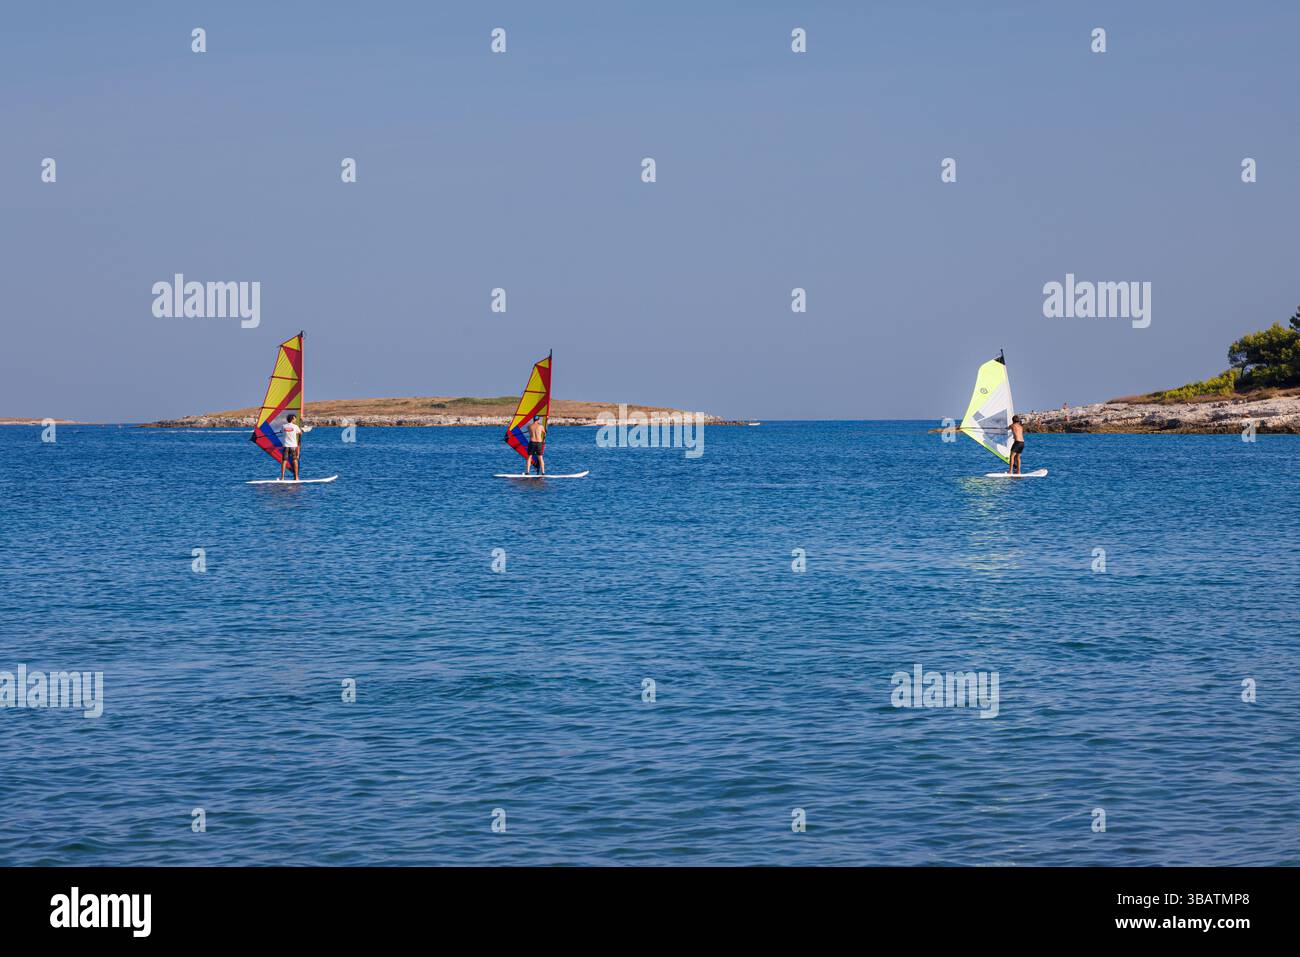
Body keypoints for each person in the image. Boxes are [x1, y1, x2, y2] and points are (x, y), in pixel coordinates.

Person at [280, 413, 311, 481]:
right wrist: (301, 423)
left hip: (285, 446)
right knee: (295, 461)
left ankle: (282, 477)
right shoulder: (295, 426)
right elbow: (300, 432)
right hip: (293, 446)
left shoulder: (283, 426)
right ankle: (296, 477)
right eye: (295, 418)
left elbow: (281, 431)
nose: (296, 419)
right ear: (292, 419)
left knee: (284, 461)